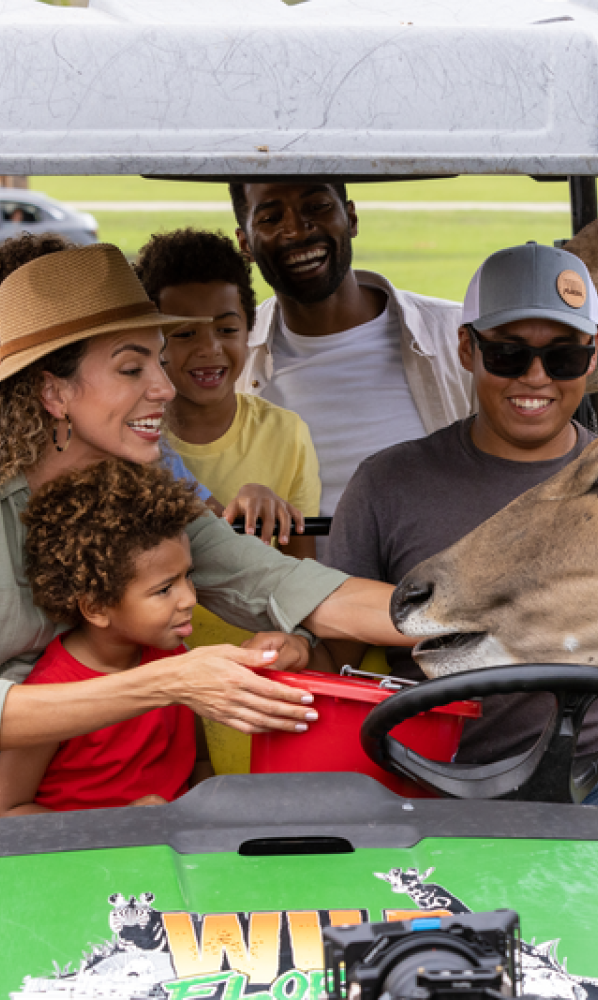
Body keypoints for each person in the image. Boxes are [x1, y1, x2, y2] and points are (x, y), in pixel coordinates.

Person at [327, 243, 598, 822]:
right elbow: (328, 657)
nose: (537, 378)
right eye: (510, 354)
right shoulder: (387, 485)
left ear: (593, 355)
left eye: (563, 356)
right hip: (425, 787)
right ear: (467, 348)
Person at [0, 241, 409, 752]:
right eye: (132, 369)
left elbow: (281, 582)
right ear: (53, 393)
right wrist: (170, 683)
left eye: (159, 359)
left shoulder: (143, 491)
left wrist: (469, 615)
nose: (165, 388)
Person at [230, 180, 474, 564]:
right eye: (272, 217)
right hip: (289, 615)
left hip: (431, 608)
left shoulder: (456, 336)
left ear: (352, 217)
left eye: (318, 206)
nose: (296, 229)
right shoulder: (228, 359)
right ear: (245, 243)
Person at [0, 460, 220, 814]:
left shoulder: (178, 659)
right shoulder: (50, 694)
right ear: (96, 608)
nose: (190, 598)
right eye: (164, 589)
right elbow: (10, 811)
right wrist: (117, 827)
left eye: (187, 577)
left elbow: (199, 767)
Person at [135, 228, 321, 558]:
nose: (209, 347)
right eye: (186, 332)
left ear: (249, 328)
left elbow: (305, 573)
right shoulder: (130, 439)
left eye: (227, 329)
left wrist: (268, 512)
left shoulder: (287, 434)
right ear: (150, 339)